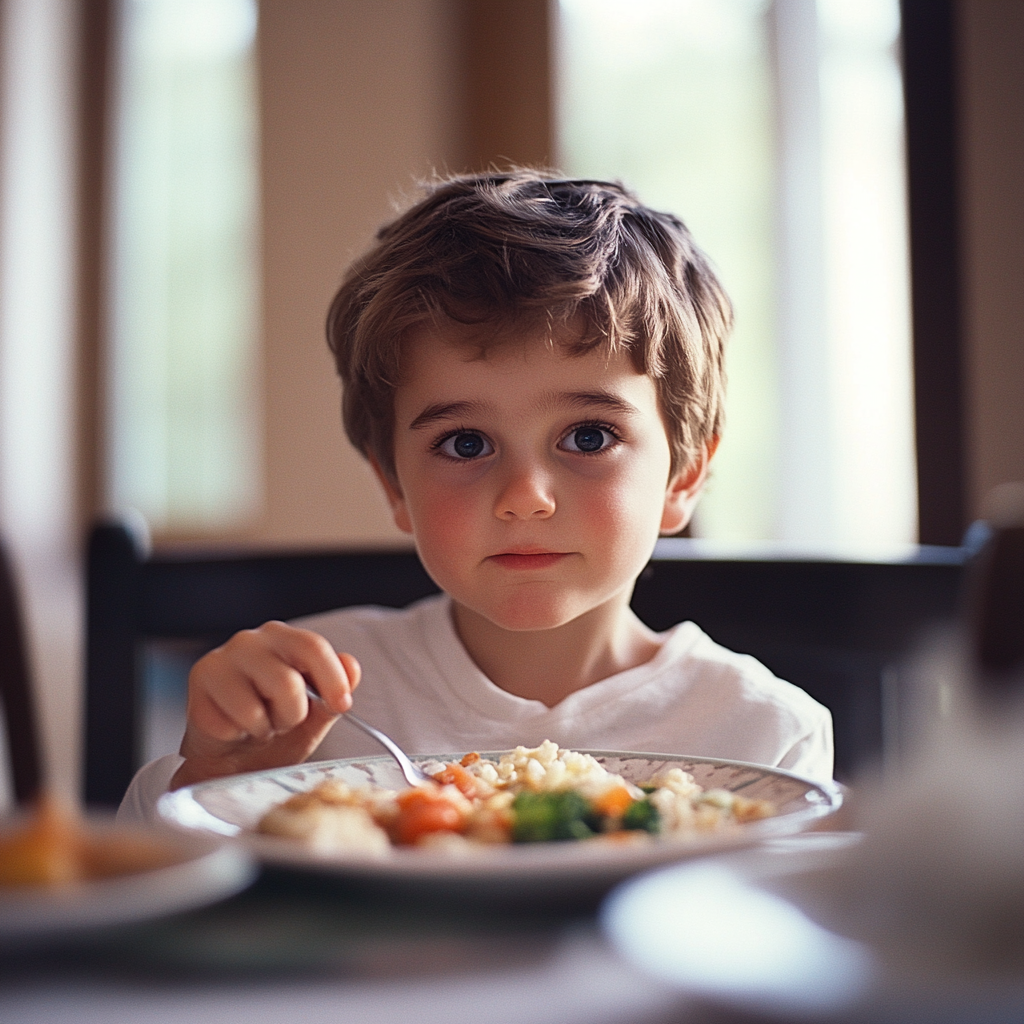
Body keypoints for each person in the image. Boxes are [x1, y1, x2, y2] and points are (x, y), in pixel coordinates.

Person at [120, 171, 832, 820]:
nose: (525, 498)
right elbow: (141, 928)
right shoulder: (310, 699)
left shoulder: (762, 734)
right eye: (466, 444)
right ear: (394, 484)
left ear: (683, 477)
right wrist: (210, 783)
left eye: (587, 437)